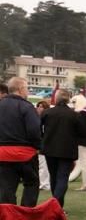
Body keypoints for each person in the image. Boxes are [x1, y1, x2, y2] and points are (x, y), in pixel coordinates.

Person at [41, 90, 86, 209]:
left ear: (56, 99)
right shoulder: (74, 115)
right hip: (67, 150)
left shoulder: (47, 113)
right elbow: (83, 132)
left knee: (53, 177)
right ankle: (56, 205)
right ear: (68, 100)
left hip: (50, 149)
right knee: (62, 177)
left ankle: (55, 204)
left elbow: (38, 129)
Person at [0, 76, 43, 207]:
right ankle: (26, 213)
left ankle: (8, 217)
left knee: (6, 188)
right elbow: (34, 130)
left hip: (3, 154)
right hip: (25, 154)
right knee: (32, 184)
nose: (28, 92)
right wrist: (38, 146)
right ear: (20, 89)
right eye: (27, 88)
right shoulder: (27, 107)